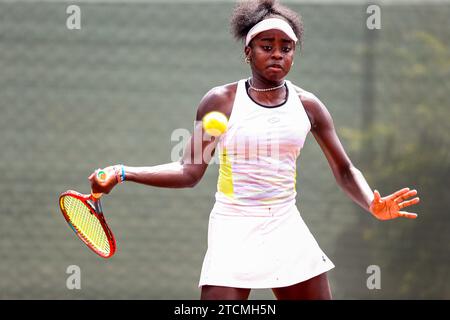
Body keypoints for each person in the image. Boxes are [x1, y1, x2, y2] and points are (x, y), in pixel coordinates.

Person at [89, 0, 420, 300]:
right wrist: (122, 172)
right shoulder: (221, 101)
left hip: (286, 225)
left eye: (286, 47)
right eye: (267, 46)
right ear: (248, 51)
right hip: (233, 227)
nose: (277, 54)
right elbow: (189, 172)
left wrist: (371, 203)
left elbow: (345, 170)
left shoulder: (309, 107)